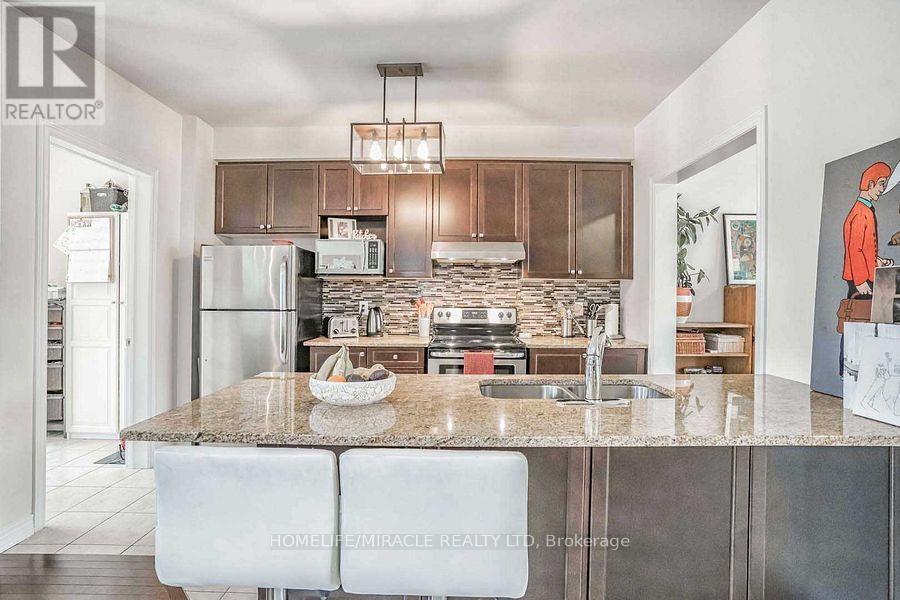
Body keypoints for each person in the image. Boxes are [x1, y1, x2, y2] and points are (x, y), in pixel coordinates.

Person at [843, 162, 894, 298]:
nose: (883, 188)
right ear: (871, 184)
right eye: (881, 183)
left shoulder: (866, 210)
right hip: (861, 278)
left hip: (865, 275)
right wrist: (860, 282)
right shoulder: (860, 213)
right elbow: (855, 249)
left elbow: (865, 247)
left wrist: (877, 261)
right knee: (860, 314)